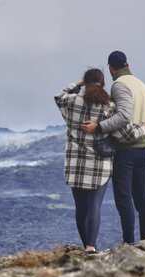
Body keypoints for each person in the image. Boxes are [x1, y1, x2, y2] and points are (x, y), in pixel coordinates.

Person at [81, 51, 145, 244]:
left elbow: (123, 116)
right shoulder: (142, 86)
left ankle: (128, 243)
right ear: (127, 63)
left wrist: (99, 126)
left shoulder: (120, 85)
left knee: (123, 199)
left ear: (111, 68)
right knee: (142, 197)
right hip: (143, 147)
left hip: (125, 149)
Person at [54, 68, 112, 253]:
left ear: (85, 83)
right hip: (99, 164)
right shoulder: (108, 106)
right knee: (95, 205)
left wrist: (77, 84)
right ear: (102, 83)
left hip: (76, 164)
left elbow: (59, 96)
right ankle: (91, 246)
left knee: (80, 208)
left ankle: (85, 244)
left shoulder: (71, 102)